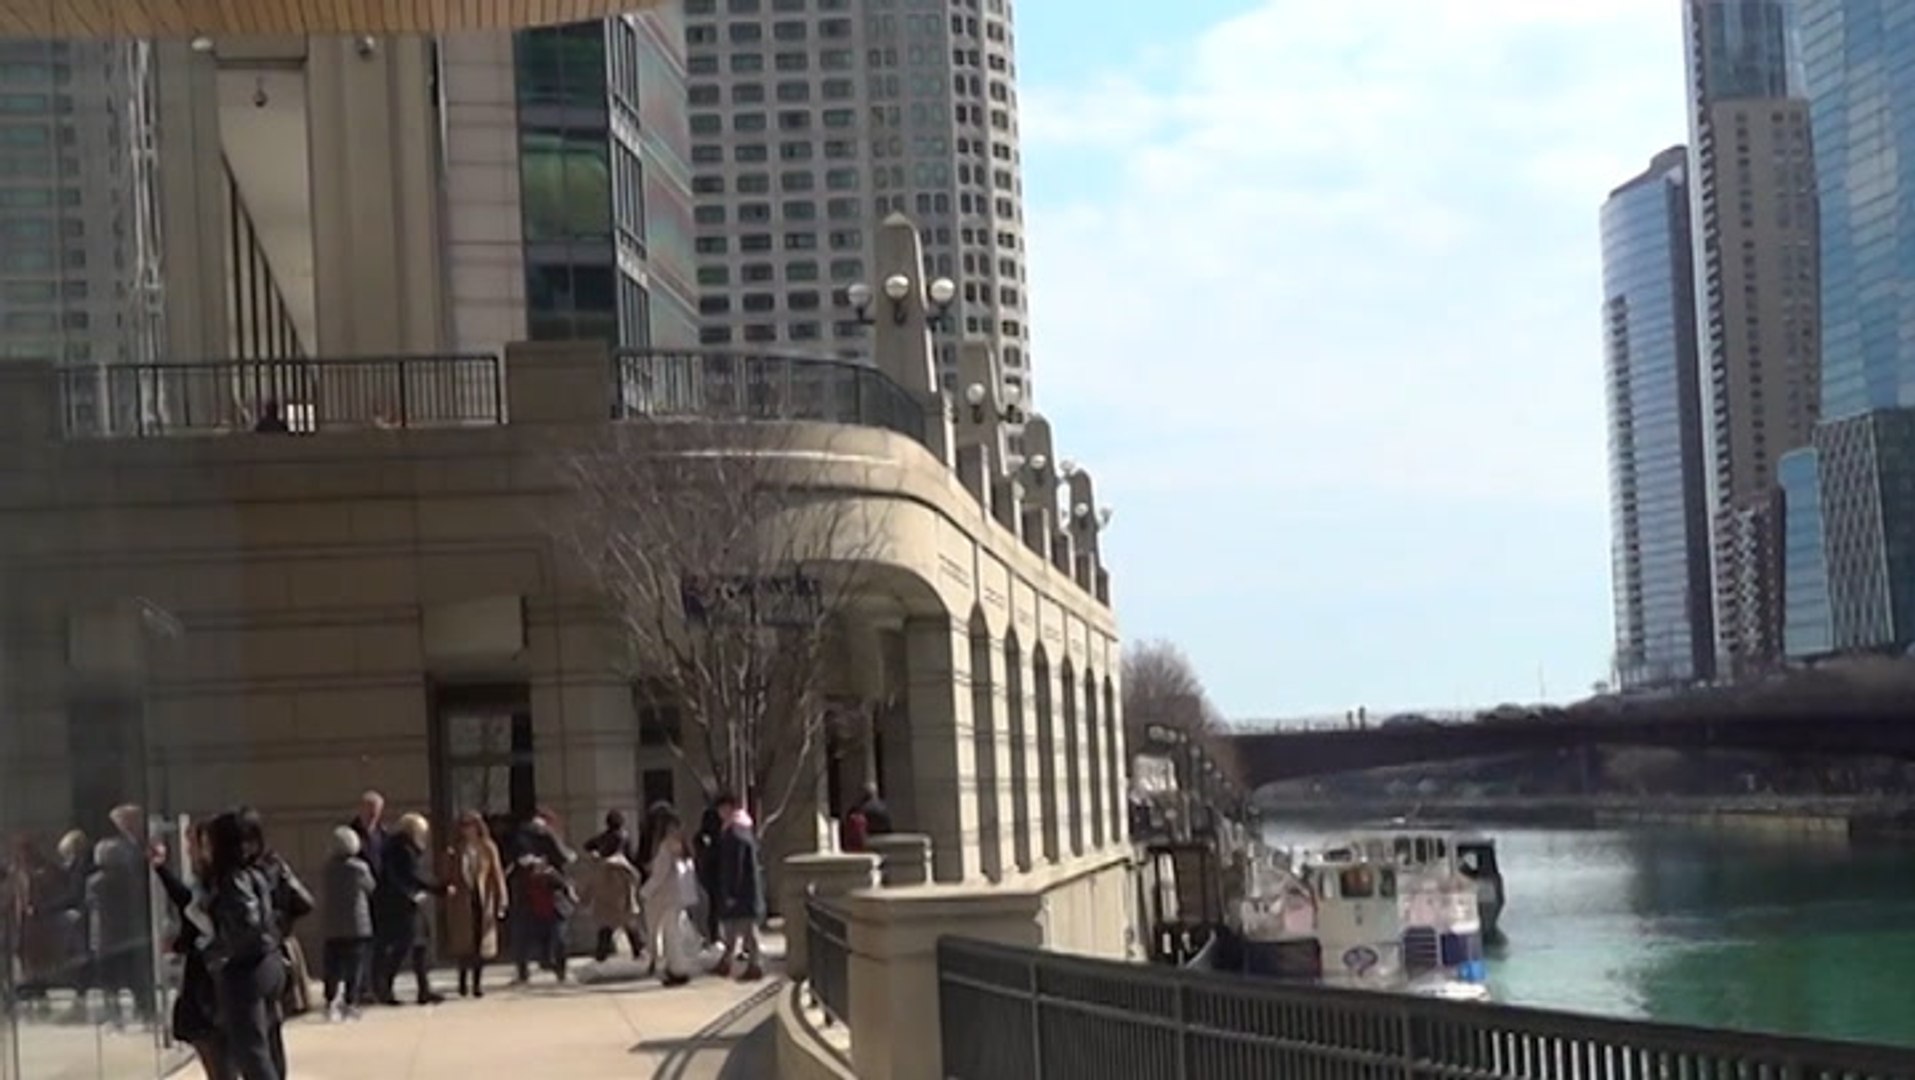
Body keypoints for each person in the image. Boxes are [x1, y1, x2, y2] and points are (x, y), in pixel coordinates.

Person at [203, 809, 287, 1080]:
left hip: (246, 970)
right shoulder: (260, 871)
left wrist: (216, 952)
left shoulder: (233, 878)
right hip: (269, 962)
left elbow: (246, 924)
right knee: (269, 1046)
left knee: (252, 1052)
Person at [151, 823, 229, 1080]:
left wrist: (182, 943)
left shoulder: (220, 880)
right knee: (204, 1036)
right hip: (205, 967)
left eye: (192, 844)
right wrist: (161, 868)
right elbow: (188, 904)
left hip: (213, 969)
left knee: (211, 1036)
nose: (188, 850)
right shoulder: (206, 878)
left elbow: (203, 922)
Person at [89, 804, 153, 1029]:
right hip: (121, 929)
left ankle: (142, 1013)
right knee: (123, 975)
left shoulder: (142, 847)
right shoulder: (104, 877)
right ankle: (134, 1013)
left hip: (129, 927)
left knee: (132, 974)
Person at [372, 813, 444, 1006]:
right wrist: (437, 888)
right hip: (401, 904)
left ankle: (423, 989)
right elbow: (410, 876)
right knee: (404, 946)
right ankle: (386, 988)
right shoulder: (402, 849)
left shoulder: (400, 847)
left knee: (419, 944)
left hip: (407, 901)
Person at [443, 812, 507, 998]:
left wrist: (502, 898)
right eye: (464, 825)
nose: (467, 829)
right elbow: (446, 875)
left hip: (482, 899)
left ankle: (477, 984)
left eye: (471, 825)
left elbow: (496, 873)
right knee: (463, 944)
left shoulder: (488, 847)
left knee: (481, 942)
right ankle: (462, 981)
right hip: (461, 903)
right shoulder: (455, 849)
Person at [507, 814, 575, 984]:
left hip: (553, 899)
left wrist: (548, 866)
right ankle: (523, 972)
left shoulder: (551, 842)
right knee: (522, 937)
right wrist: (524, 864)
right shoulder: (519, 846)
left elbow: (568, 858)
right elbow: (509, 869)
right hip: (528, 898)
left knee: (559, 938)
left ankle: (560, 970)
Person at [319, 826, 374, 1022]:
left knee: (332, 965)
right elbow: (371, 887)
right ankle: (351, 1002)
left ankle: (330, 1000)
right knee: (354, 965)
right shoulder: (360, 868)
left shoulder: (327, 868)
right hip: (356, 923)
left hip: (332, 923)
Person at [711, 795, 765, 981]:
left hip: (741, 890)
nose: (720, 813)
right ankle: (728, 962)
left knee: (745, 929)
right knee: (739, 928)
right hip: (746, 888)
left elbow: (734, 865)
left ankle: (753, 965)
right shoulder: (743, 828)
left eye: (722, 808)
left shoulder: (734, 832)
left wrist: (731, 891)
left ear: (729, 807)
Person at [640, 810, 696, 988]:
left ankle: (677, 970)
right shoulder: (683, 846)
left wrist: (644, 892)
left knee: (671, 936)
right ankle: (679, 968)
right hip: (681, 895)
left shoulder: (666, 848)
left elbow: (659, 875)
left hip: (666, 895)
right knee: (677, 933)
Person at [582, 837, 644, 965]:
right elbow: (636, 878)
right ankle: (638, 952)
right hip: (624, 901)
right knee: (630, 928)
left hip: (605, 902)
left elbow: (591, 884)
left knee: (606, 929)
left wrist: (585, 900)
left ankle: (601, 957)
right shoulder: (624, 866)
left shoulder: (600, 866)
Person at [693, 805, 724, 944]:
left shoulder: (701, 837)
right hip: (715, 874)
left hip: (706, 875)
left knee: (712, 907)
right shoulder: (718, 837)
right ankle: (715, 935)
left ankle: (713, 936)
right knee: (715, 908)